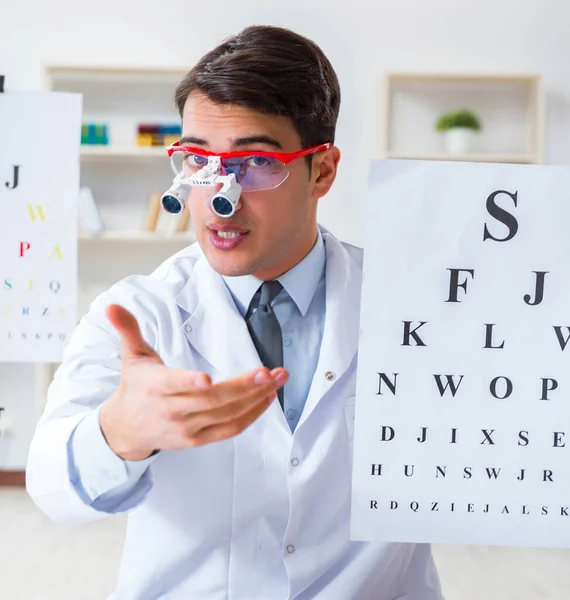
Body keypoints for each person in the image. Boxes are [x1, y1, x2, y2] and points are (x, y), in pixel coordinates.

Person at [26, 25, 443, 600]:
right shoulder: (137, 314)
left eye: (253, 162)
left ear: (321, 170)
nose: (217, 196)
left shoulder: (419, 306)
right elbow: (51, 486)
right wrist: (121, 431)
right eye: (196, 159)